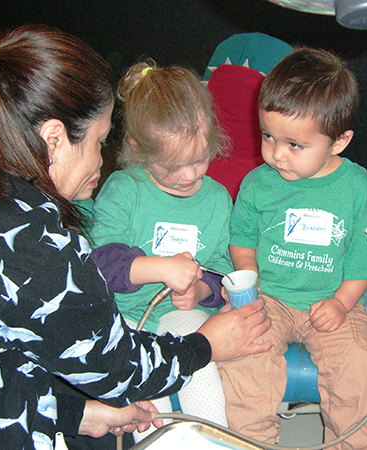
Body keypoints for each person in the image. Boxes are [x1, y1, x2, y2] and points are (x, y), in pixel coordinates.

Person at [0, 24, 272, 449]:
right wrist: (205, 345)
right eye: (98, 141)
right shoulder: (32, 240)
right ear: (53, 138)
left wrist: (75, 412)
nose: (100, 161)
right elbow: (121, 368)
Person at [217, 47, 367, 450]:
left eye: (294, 145)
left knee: (360, 369)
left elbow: (363, 258)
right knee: (245, 358)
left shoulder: (356, 187)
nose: (276, 153)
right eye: (268, 136)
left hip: (334, 300)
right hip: (271, 299)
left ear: (339, 141)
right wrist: (250, 280)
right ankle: (250, 443)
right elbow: (242, 238)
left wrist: (343, 304)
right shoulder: (259, 183)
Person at [88, 60, 232, 435]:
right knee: (151, 415)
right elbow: (100, 263)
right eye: (173, 165)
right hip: (123, 320)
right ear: (138, 148)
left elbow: (220, 268)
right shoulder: (123, 189)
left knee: (202, 376)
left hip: (178, 318)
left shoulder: (217, 200)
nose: (188, 175)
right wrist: (159, 268)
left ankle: (212, 439)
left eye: (200, 159)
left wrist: (203, 289)